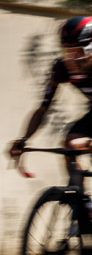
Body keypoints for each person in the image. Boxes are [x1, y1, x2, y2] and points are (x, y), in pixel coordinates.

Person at [9, 16, 92, 176]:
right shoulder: (62, 68)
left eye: (78, 52)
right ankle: (78, 198)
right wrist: (23, 139)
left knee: (76, 143)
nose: (72, 60)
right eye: (68, 52)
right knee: (70, 145)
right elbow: (43, 109)